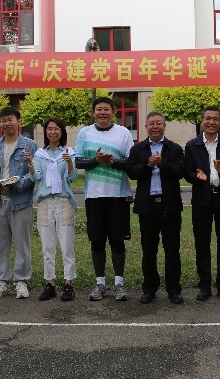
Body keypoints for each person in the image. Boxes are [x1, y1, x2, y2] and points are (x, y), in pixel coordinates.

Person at [75, 96, 134, 302]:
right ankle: (100, 283)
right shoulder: (84, 133)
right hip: (94, 195)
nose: (102, 113)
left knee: (117, 240)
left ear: (114, 112)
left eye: (106, 109)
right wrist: (96, 160)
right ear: (93, 113)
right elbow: (78, 162)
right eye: (99, 109)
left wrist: (112, 161)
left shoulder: (123, 132)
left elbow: (131, 162)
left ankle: (119, 284)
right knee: (97, 240)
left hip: (118, 195)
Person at [126, 112, 185, 304]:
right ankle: (149, 288)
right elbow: (132, 172)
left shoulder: (174, 148)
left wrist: (162, 163)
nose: (155, 126)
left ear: (164, 126)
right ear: (146, 127)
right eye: (151, 123)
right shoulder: (138, 149)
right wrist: (148, 165)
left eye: (159, 123)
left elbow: (180, 172)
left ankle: (173, 289)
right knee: (149, 250)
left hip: (170, 206)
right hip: (147, 206)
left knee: (172, 249)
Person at [184, 106, 220, 302]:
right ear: (202, 121)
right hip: (202, 199)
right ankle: (205, 286)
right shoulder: (192, 145)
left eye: (215, 119)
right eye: (208, 118)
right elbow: (187, 172)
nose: (211, 122)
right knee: (202, 243)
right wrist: (196, 176)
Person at [0, 106, 38, 300]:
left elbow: (35, 173)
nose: (6, 123)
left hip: (21, 202)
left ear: (18, 121)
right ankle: (2, 281)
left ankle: (21, 280)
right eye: (3, 120)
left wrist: (18, 184)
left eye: (10, 119)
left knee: (22, 243)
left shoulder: (29, 146)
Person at [30, 117, 78, 302]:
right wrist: (29, 163)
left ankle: (68, 284)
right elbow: (36, 178)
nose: (53, 132)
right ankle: (49, 284)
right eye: (49, 129)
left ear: (62, 131)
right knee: (47, 246)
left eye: (56, 128)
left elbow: (72, 178)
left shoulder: (68, 152)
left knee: (66, 245)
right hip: (45, 203)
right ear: (46, 132)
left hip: (63, 202)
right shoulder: (40, 154)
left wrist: (69, 162)